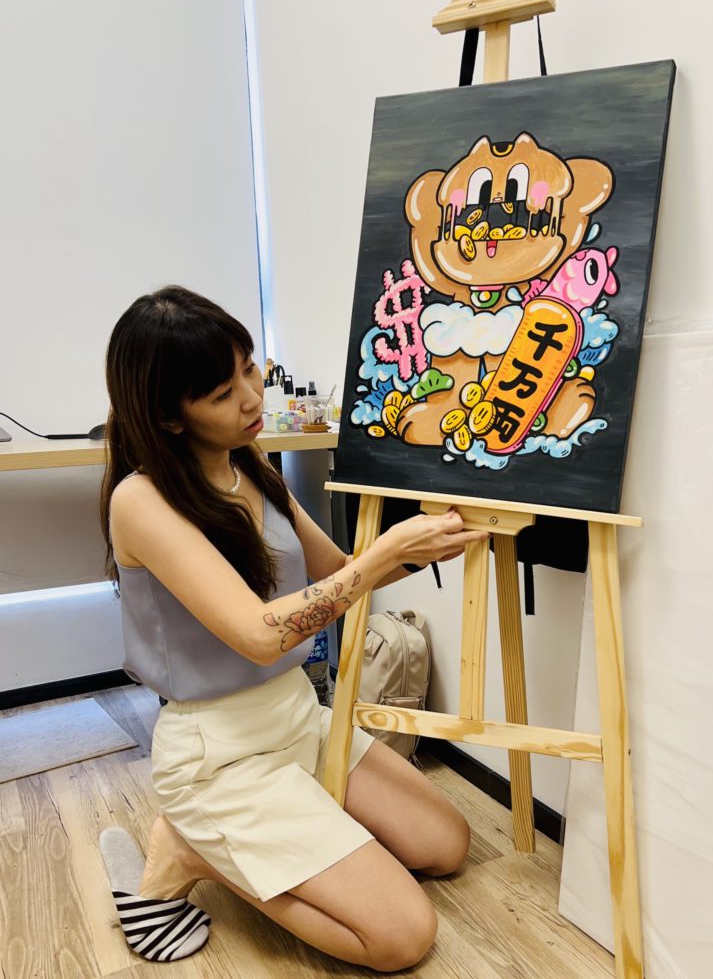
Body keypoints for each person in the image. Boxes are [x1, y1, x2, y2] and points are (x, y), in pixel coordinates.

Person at [98, 285, 487, 971]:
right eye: (223, 392)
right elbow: (259, 634)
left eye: (250, 368)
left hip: (298, 716)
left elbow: (338, 572)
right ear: (168, 416)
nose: (253, 397)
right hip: (219, 753)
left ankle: (267, 838)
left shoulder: (252, 469)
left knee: (446, 846)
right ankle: (194, 848)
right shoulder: (142, 499)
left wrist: (425, 544)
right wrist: (383, 558)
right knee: (402, 937)